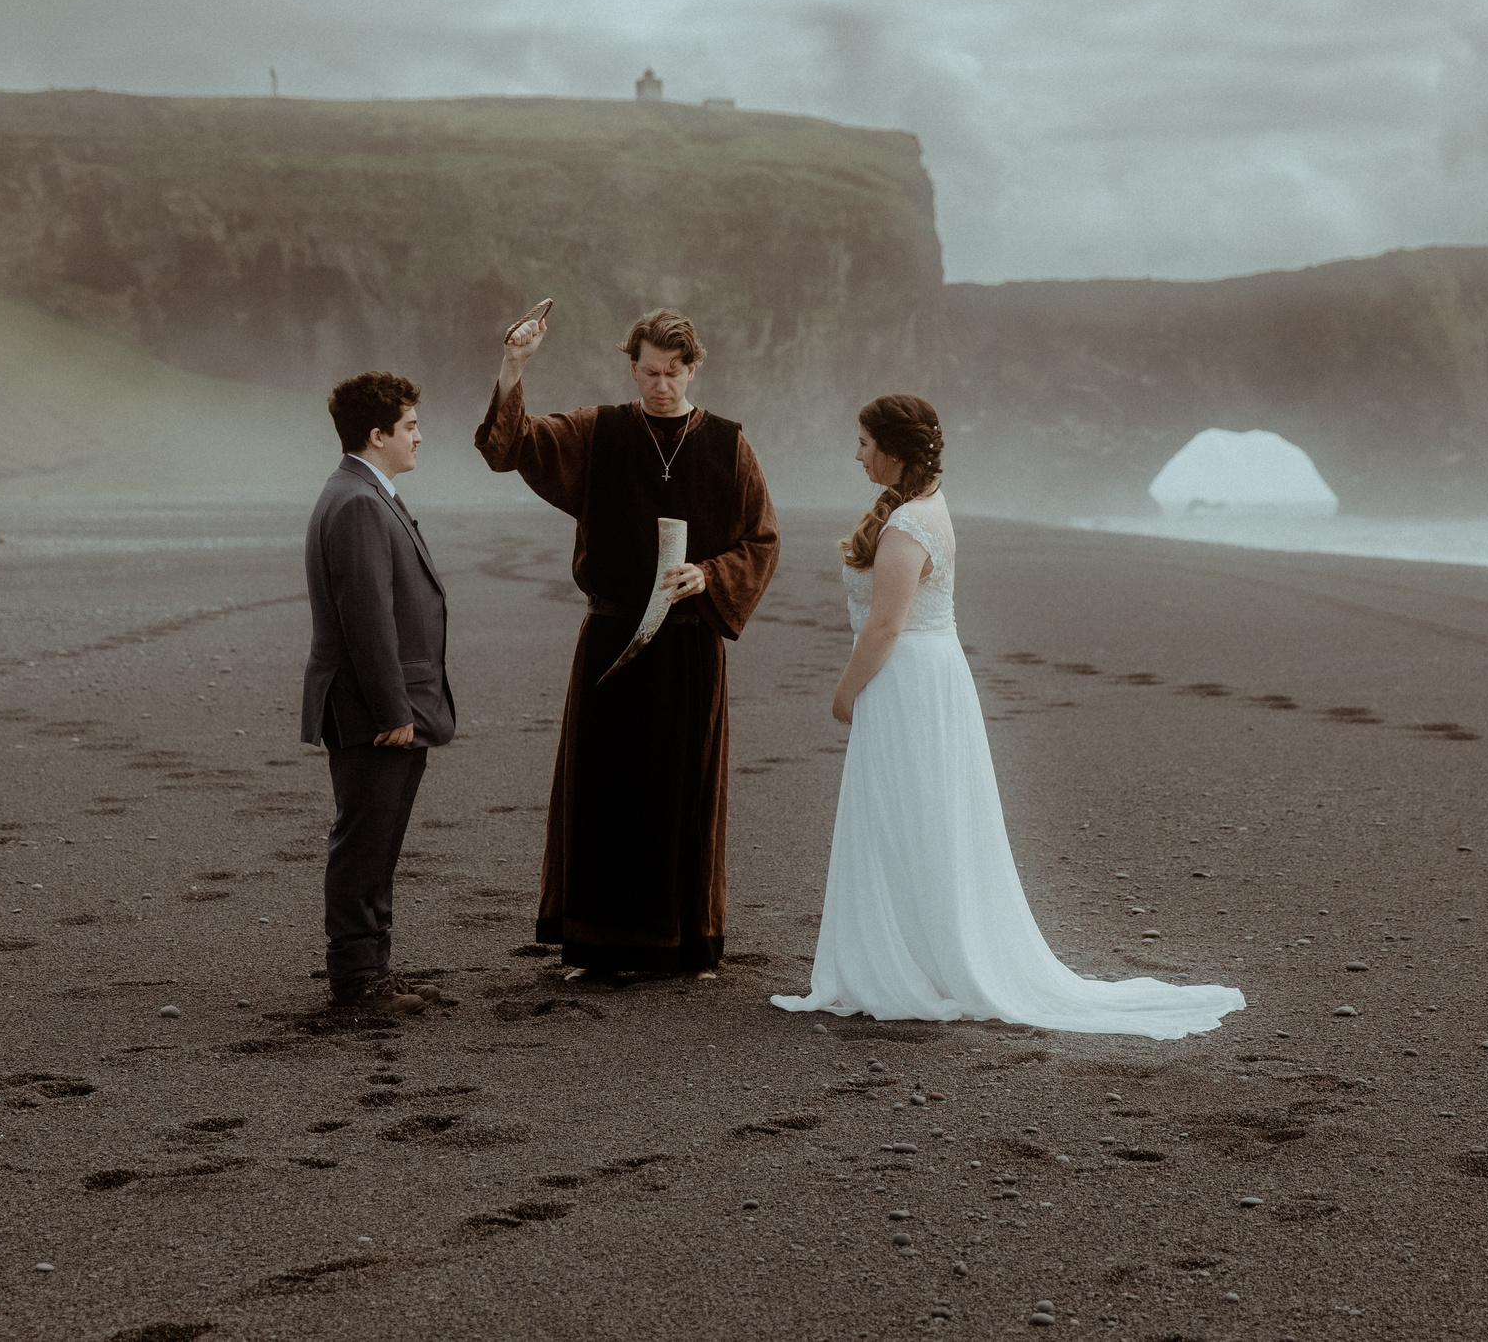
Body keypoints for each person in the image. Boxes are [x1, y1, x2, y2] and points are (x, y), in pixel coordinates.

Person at [771, 394, 1245, 1037]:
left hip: (905, 678)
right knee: (920, 816)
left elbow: (886, 624)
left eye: (862, 442)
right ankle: (918, 953)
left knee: (902, 814)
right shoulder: (923, 508)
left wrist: (844, 692)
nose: (854, 454)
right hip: (928, 676)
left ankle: (911, 963)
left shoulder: (909, 524)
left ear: (893, 448)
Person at [475, 307, 779, 977]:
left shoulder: (729, 444)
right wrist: (515, 365)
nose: (661, 385)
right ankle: (594, 942)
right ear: (631, 364)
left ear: (692, 368)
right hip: (613, 635)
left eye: (673, 373)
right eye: (649, 371)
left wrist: (710, 573)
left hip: (691, 647)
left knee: (682, 791)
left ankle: (685, 944)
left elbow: (761, 538)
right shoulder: (599, 431)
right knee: (602, 789)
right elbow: (509, 446)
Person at [301, 371, 456, 1009]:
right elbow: (368, 616)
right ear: (377, 434)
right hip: (375, 708)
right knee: (366, 839)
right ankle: (360, 978)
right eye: (410, 426)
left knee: (376, 837)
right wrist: (394, 710)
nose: (419, 436)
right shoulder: (360, 501)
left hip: (378, 703)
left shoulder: (360, 491)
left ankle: (370, 968)